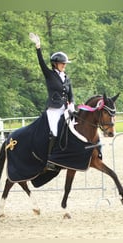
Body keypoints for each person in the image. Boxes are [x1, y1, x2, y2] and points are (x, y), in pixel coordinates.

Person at [29, 33, 75, 171]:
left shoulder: (66, 77)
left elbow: (71, 94)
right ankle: (50, 159)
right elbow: (41, 63)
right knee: (55, 131)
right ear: (55, 64)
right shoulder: (50, 74)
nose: (64, 66)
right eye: (62, 64)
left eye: (65, 64)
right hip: (54, 109)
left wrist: (72, 104)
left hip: (66, 109)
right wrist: (38, 47)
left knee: (74, 128)